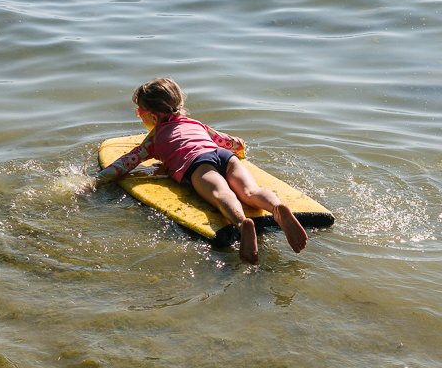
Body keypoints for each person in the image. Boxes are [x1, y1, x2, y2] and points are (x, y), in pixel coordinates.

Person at [93, 78, 308, 263]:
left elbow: (126, 163)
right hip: (225, 157)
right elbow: (232, 143)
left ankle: (243, 224)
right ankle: (278, 208)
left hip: (198, 164)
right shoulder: (196, 124)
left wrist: (97, 181)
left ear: (153, 117)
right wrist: (239, 147)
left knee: (222, 194)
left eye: (140, 112)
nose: (139, 116)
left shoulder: (154, 139)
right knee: (251, 191)